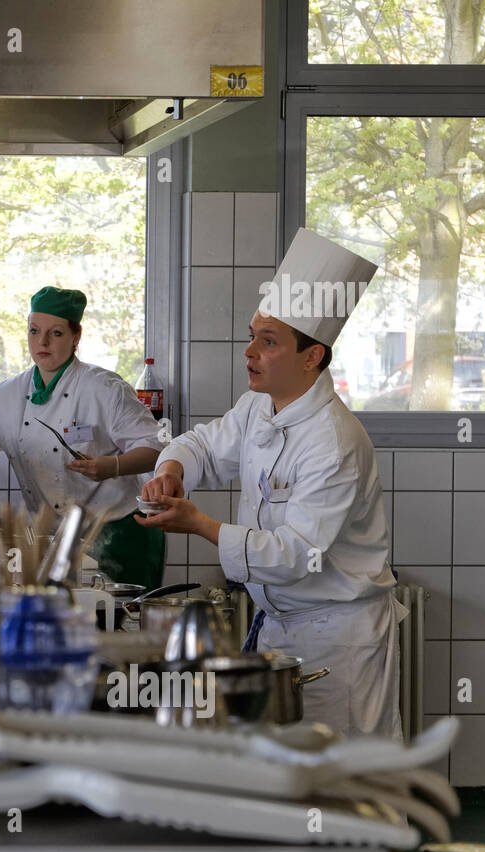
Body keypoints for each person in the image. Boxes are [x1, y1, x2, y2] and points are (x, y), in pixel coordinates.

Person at [137, 228, 402, 738]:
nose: (249, 351)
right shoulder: (261, 403)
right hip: (277, 626)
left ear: (312, 357)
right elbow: (203, 446)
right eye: (252, 335)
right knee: (284, 780)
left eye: (269, 341)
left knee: (341, 786)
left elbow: (296, 556)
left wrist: (201, 525)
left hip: (335, 637)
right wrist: (171, 472)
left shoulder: (334, 441)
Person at [0, 286, 165, 589]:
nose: (42, 342)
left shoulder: (104, 389)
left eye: (56, 333)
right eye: (34, 331)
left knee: (122, 626)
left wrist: (110, 467)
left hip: (120, 535)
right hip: (53, 539)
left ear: (76, 336)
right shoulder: (6, 395)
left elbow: (155, 447)